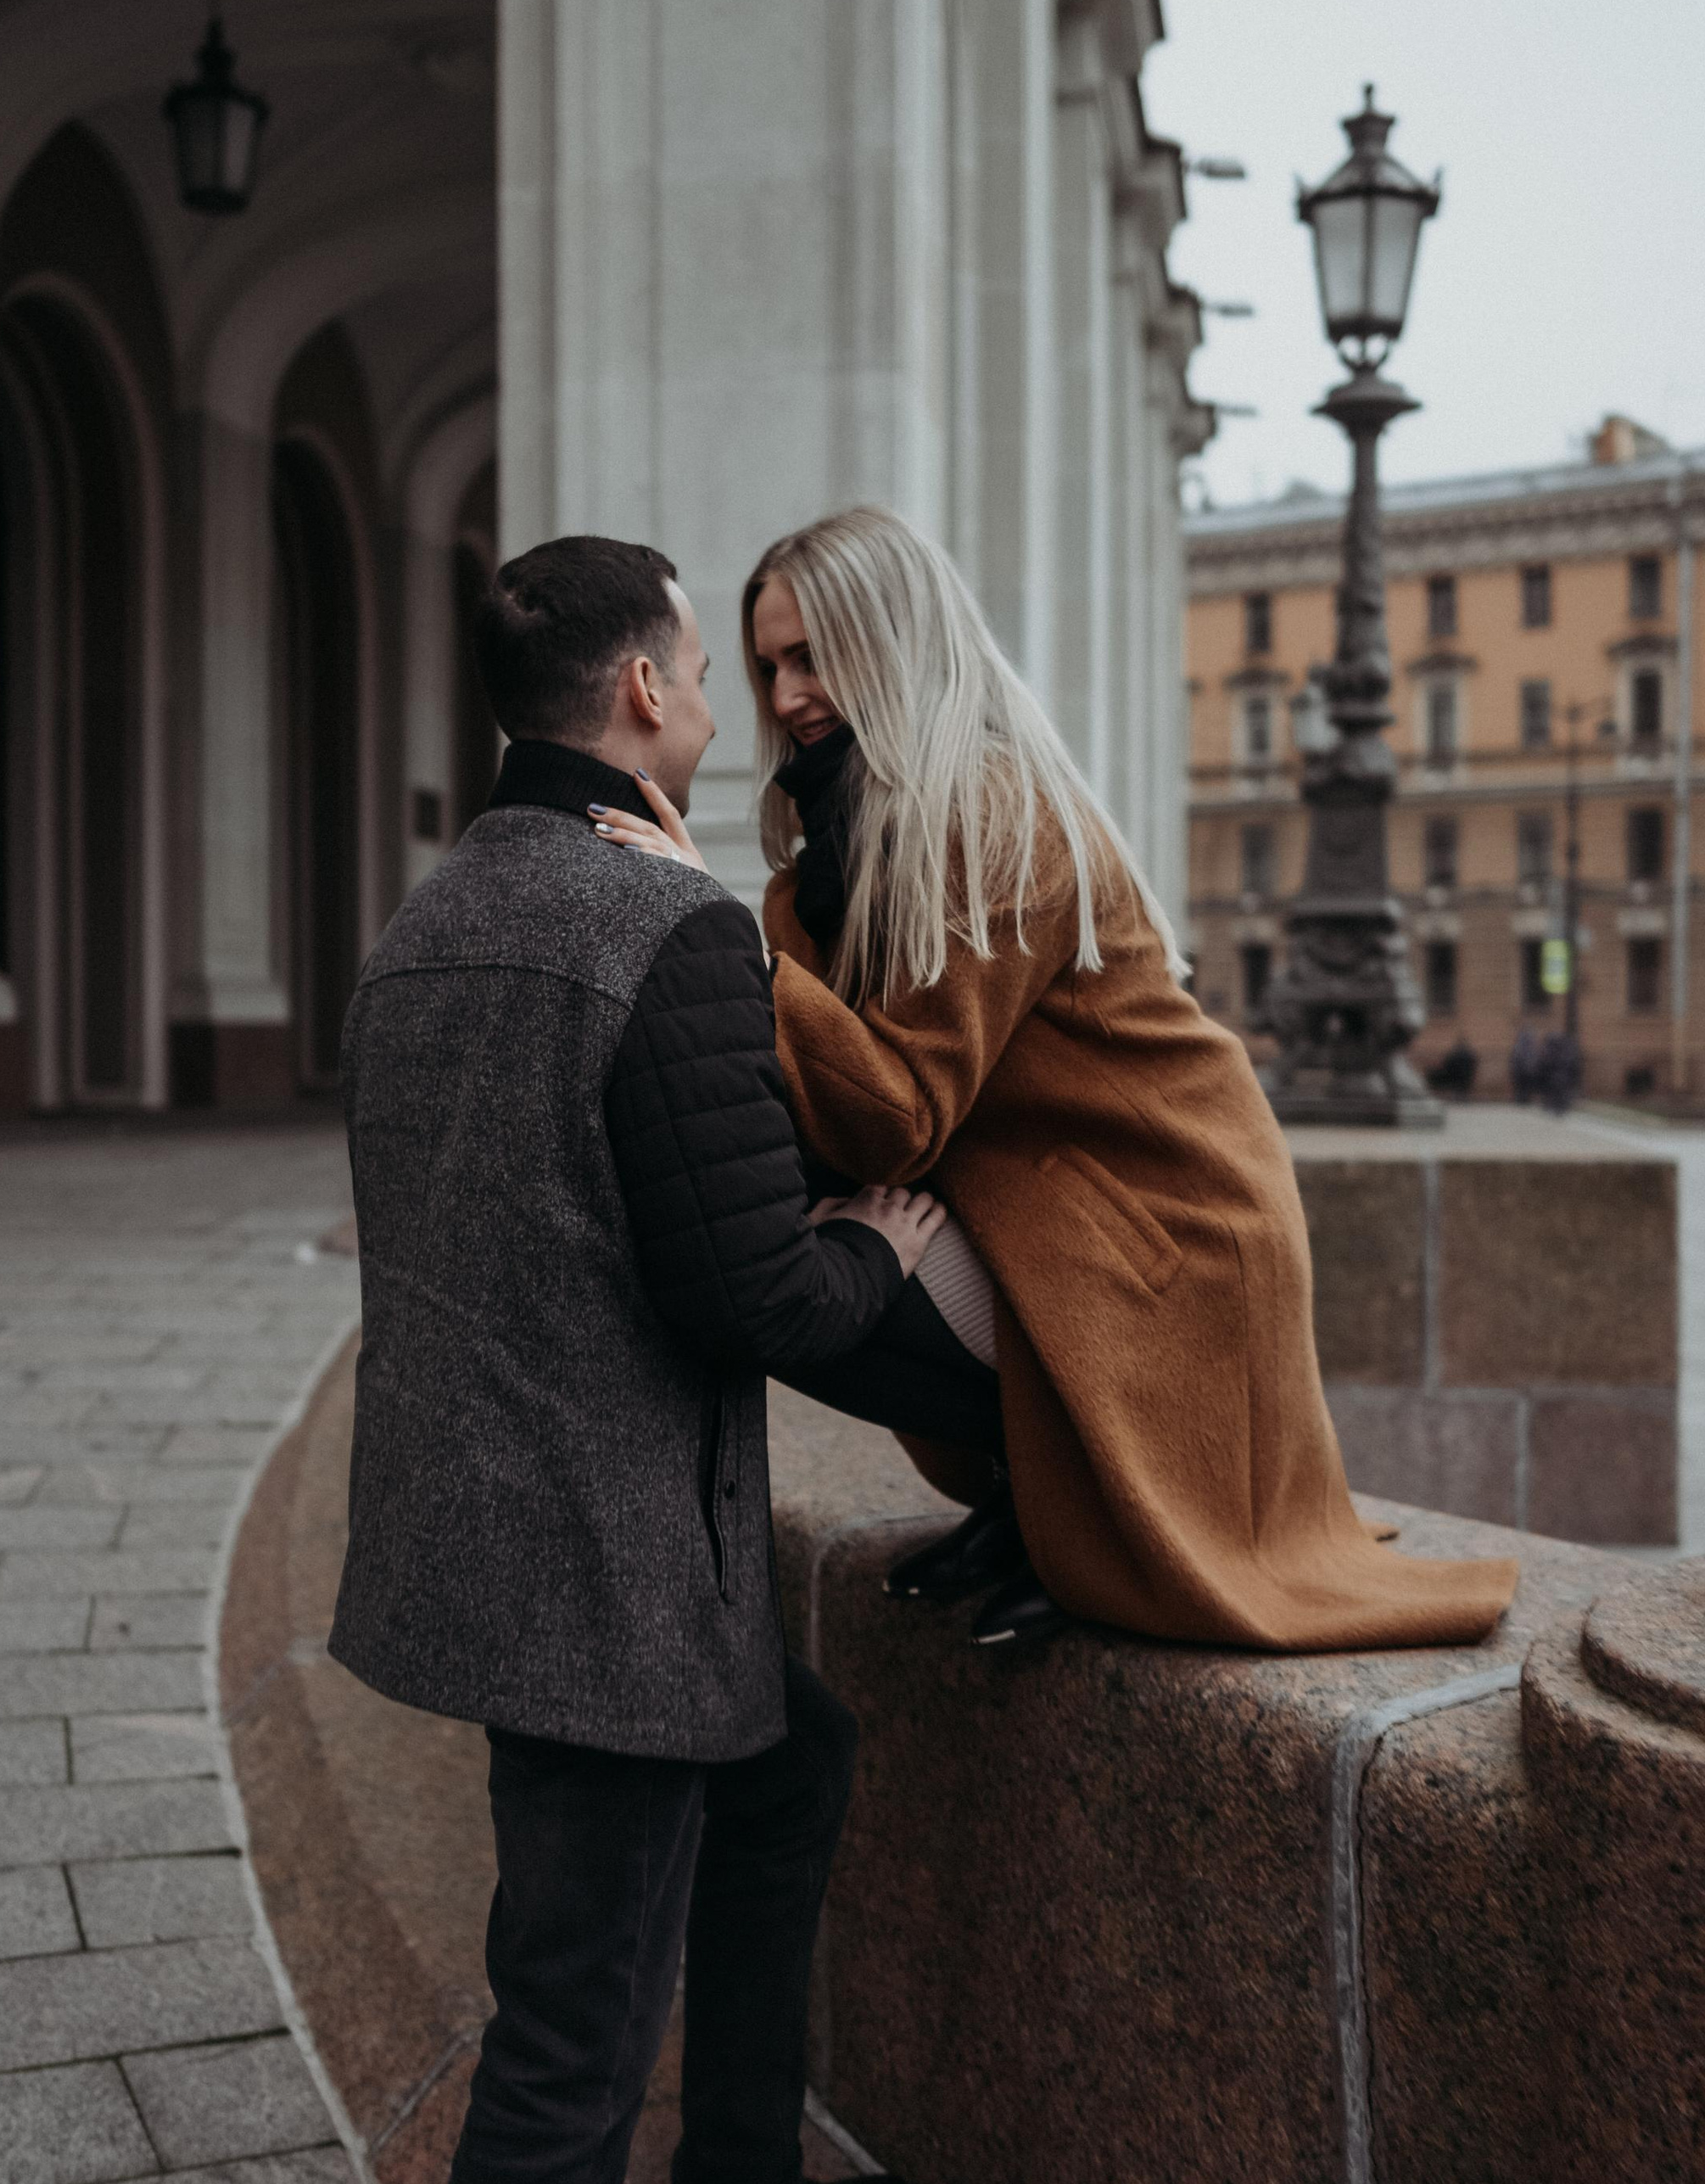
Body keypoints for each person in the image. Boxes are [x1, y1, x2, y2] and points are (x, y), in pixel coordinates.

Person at [329, 534, 964, 2184]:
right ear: (631, 694)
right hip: (602, 1579)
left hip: (478, 1550)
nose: (716, 700)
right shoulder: (662, 927)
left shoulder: (423, 923)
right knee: (568, 2039)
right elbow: (750, 1294)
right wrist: (874, 1243)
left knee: (791, 1767)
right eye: (698, 666)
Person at [594, 505, 1519, 1659]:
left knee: (770, 1266)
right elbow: (815, 1099)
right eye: (769, 664)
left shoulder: (993, 819)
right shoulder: (818, 865)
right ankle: (1035, 1504)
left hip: (1160, 1225)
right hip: (1034, 1207)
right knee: (740, 1241)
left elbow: (891, 1117)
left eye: (816, 656)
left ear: (895, 642)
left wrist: (720, 938)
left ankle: (1065, 1517)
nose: (787, 697)